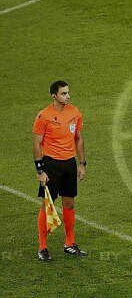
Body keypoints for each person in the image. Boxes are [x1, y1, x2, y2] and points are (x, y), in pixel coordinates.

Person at [33, 80, 87, 262]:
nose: (68, 96)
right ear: (54, 96)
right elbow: (37, 144)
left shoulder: (75, 112)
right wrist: (40, 170)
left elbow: (78, 138)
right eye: (63, 93)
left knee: (69, 203)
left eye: (68, 93)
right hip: (51, 165)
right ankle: (42, 247)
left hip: (69, 164)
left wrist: (82, 163)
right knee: (47, 205)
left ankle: (69, 244)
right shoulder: (44, 116)